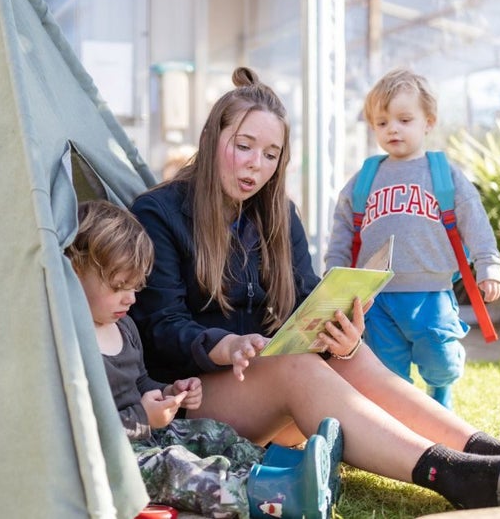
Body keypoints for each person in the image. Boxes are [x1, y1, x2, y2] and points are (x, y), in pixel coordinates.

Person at [129, 66, 500, 511]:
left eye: (271, 154)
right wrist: (225, 346)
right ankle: (455, 476)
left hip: (261, 388)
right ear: (213, 136)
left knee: (349, 354)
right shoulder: (160, 212)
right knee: (297, 367)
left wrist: (341, 325)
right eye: (243, 145)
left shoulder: (277, 214)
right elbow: (159, 327)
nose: (256, 165)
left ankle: (499, 455)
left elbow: (305, 297)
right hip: (189, 399)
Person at [65, 200, 343, 519]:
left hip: (147, 433)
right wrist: (143, 416)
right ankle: (274, 496)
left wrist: (169, 392)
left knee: (210, 432)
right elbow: (81, 430)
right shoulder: (70, 342)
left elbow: (140, 381)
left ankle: (290, 470)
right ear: (75, 273)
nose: (130, 299)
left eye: (135, 287)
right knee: (175, 466)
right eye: (118, 287)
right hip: (111, 457)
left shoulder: (123, 326)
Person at [324, 68, 500, 410]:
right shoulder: (365, 178)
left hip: (431, 293)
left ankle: (440, 393)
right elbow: (343, 230)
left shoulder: (443, 173)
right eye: (382, 122)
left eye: (404, 119)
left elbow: (475, 220)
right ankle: (404, 415)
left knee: (442, 360)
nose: (392, 128)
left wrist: (489, 265)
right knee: (387, 369)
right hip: (375, 297)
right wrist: (335, 275)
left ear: (428, 122)